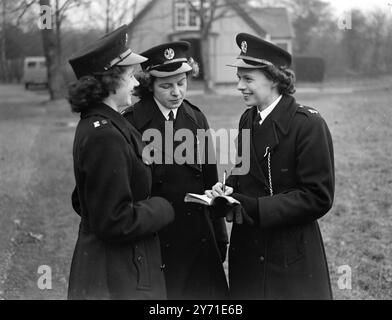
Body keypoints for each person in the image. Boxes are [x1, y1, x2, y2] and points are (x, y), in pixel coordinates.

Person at [206, 33, 335, 300]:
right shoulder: (247, 119)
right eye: (239, 78)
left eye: (248, 79)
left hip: (290, 255)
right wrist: (226, 190)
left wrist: (256, 207)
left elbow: (318, 197)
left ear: (275, 79)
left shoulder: (308, 124)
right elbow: (245, 173)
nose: (240, 86)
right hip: (248, 251)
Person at [67, 25, 175, 300]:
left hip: (115, 269)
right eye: (129, 76)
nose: (137, 83)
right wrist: (162, 208)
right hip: (117, 278)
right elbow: (114, 221)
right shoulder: (105, 134)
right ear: (110, 81)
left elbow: (82, 200)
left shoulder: (100, 125)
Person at [123, 41, 229, 300]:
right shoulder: (132, 122)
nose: (176, 92)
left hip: (198, 237)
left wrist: (219, 237)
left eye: (181, 83)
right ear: (149, 85)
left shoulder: (196, 118)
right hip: (156, 237)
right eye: (166, 85)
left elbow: (210, 180)